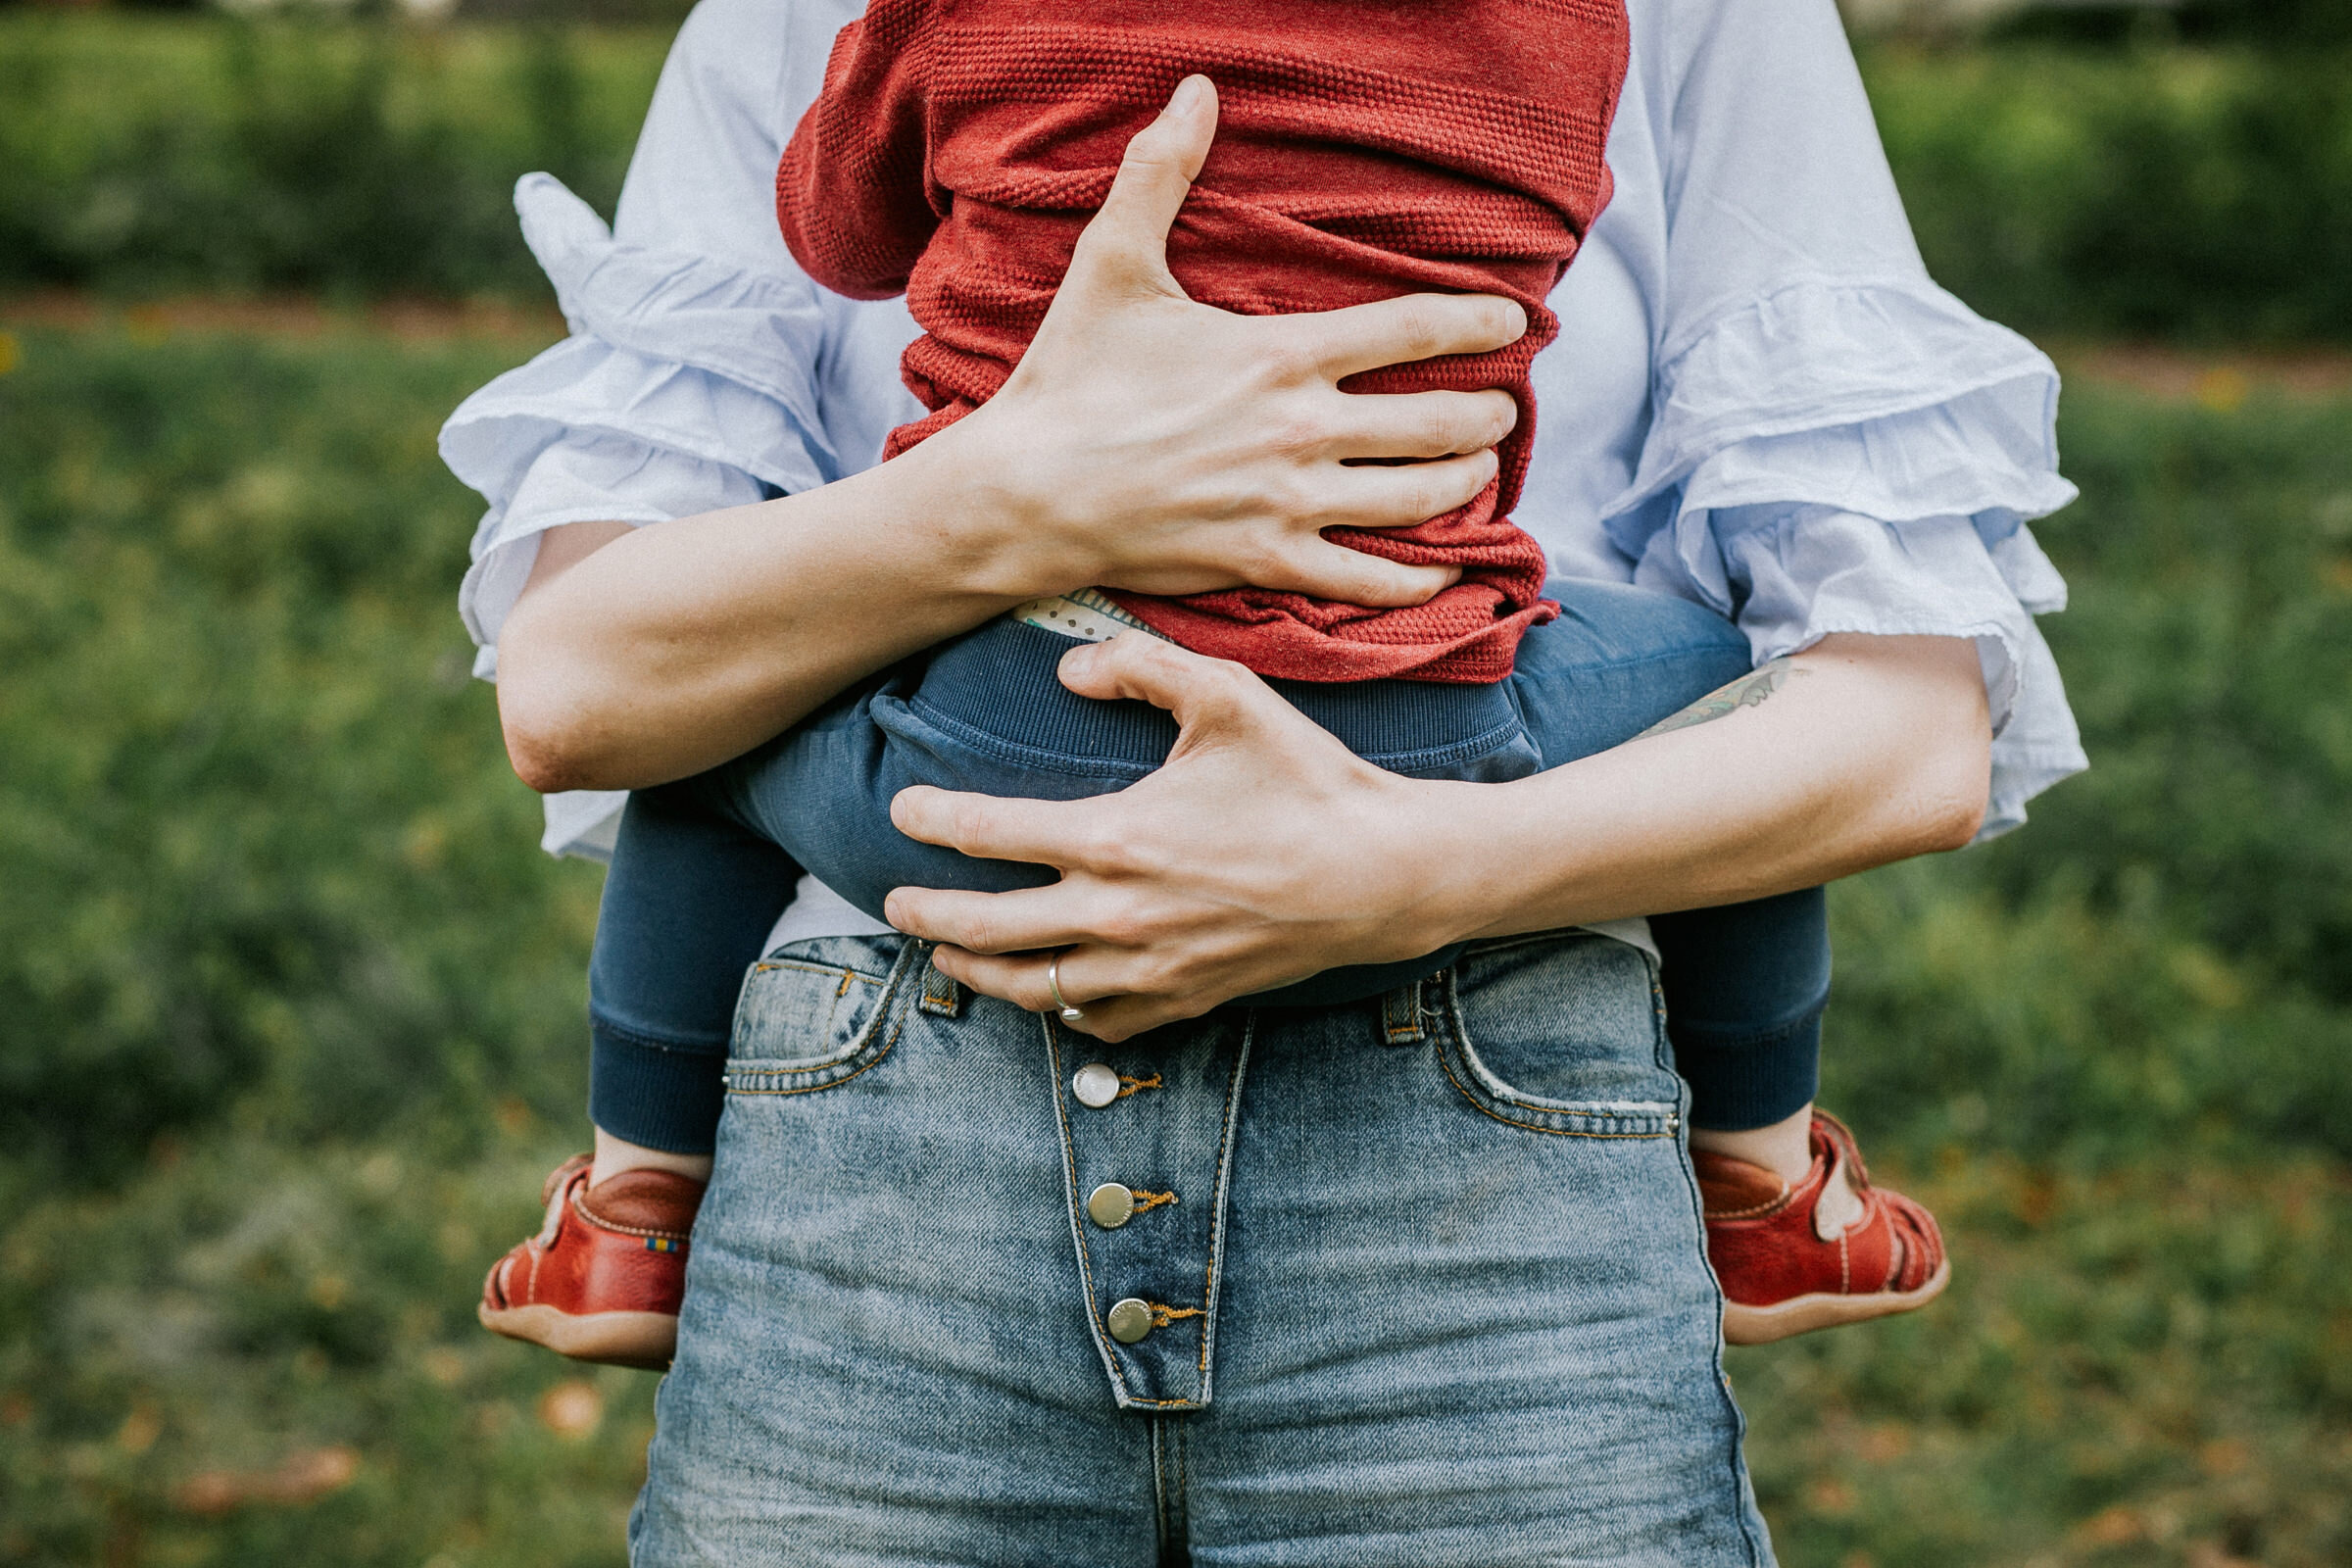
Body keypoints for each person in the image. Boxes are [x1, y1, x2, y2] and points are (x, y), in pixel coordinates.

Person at [442, 0, 2084, 1555]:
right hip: (1411, 789)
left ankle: (637, 1197)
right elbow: (582, 685)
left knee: (730, 752)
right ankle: (1766, 1169)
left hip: (961, 825)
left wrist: (1398, 871)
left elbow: (1911, 733)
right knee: (1716, 676)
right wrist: (1031, 490)